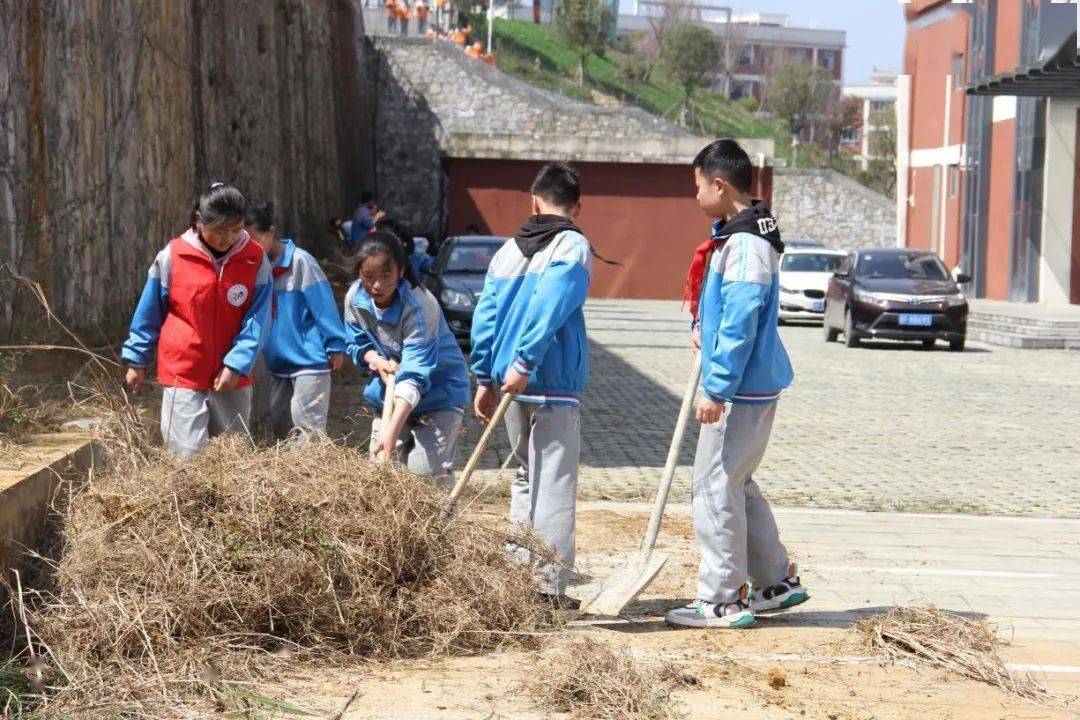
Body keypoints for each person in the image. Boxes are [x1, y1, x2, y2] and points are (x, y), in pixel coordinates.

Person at [665, 139, 806, 630]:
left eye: (699, 187)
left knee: (713, 486)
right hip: (755, 384)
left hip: (740, 389)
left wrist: (717, 387)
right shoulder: (745, 234)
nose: (697, 196)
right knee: (737, 482)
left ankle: (723, 597)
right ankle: (772, 583)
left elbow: (743, 316)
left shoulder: (745, 243)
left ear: (720, 185)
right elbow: (731, 310)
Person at [470, 163, 591, 604]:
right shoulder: (572, 246)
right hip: (549, 382)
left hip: (510, 384)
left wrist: (485, 375)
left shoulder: (507, 252)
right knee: (553, 482)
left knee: (525, 477)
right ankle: (545, 589)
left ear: (533, 201)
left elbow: (484, 318)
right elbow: (550, 306)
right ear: (577, 207)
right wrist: (525, 360)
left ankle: (518, 576)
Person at [122, 183, 271, 457]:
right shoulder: (172, 256)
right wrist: (137, 360)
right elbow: (149, 312)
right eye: (219, 231)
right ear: (199, 221)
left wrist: (237, 364)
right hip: (183, 372)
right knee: (186, 457)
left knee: (231, 458)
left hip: (232, 377)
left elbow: (259, 320)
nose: (227, 239)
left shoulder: (255, 259)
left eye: (236, 230)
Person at [344, 232, 470, 487]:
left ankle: (439, 524)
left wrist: (390, 432)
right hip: (388, 393)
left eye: (385, 276)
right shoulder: (355, 299)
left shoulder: (421, 305)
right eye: (369, 277)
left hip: (438, 393)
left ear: (401, 271)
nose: (377, 285)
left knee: (424, 476)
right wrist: (375, 360)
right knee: (381, 477)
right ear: (359, 273)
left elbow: (413, 374)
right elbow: (357, 343)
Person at [245, 202, 348, 440]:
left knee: (307, 431)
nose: (250, 248)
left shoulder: (301, 263)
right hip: (279, 364)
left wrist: (335, 344)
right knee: (282, 425)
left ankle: (310, 476)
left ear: (271, 232)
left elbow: (324, 306)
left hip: (309, 361)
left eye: (254, 240)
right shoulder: (255, 269)